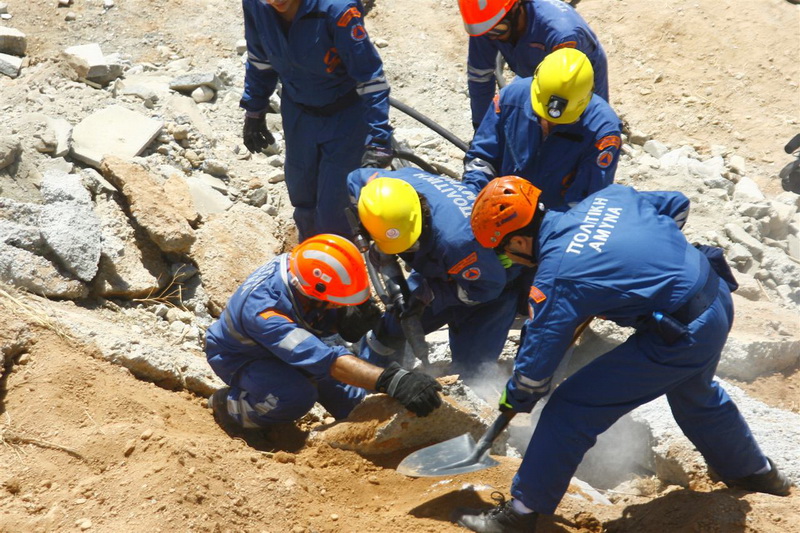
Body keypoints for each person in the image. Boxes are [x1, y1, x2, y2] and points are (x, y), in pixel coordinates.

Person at [453, 176, 793, 532]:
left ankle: (518, 515)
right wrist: (655, 262)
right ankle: (757, 474)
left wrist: (516, 397)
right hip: (715, 293)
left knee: (570, 407)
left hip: (682, 333)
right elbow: (676, 203)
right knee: (695, 394)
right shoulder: (608, 199)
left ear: (520, 239)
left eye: (505, 252)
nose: (509, 260)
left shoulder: (557, 276)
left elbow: (536, 370)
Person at [205, 234, 442, 434]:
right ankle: (233, 409)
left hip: (283, 343)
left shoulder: (305, 266)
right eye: (334, 302)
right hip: (241, 357)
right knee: (296, 395)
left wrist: (342, 314)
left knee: (357, 407)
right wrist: (394, 380)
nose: (337, 305)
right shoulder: (265, 313)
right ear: (312, 294)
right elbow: (325, 360)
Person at [347, 167, 525, 376]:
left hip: (491, 284)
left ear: (419, 218)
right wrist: (369, 235)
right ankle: (372, 382)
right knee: (392, 328)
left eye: (408, 245)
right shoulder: (376, 190)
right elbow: (353, 178)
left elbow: (487, 288)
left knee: (472, 372)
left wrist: (430, 295)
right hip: (441, 268)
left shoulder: (461, 242)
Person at [240, 0, 393, 239]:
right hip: (298, 113)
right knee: (302, 196)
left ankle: (335, 264)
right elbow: (260, 58)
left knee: (335, 212)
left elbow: (370, 78)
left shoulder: (338, 10)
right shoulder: (256, 5)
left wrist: (378, 139)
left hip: (346, 117)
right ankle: (309, 259)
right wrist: (254, 108)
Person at [463, 48, 621, 211]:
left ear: (585, 100)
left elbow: (585, 204)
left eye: (560, 122)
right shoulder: (510, 99)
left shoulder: (603, 132)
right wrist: (471, 202)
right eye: (542, 115)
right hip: (499, 212)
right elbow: (482, 159)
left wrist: (540, 225)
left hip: (555, 226)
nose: (548, 123)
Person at [458, 0, 608, 130]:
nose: (493, 36)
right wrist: (482, 128)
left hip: (575, 84)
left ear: (517, 7)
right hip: (533, 73)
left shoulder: (561, 33)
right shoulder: (488, 24)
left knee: (575, 136)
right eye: (487, 33)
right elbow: (479, 77)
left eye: (498, 30)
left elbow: (561, 95)